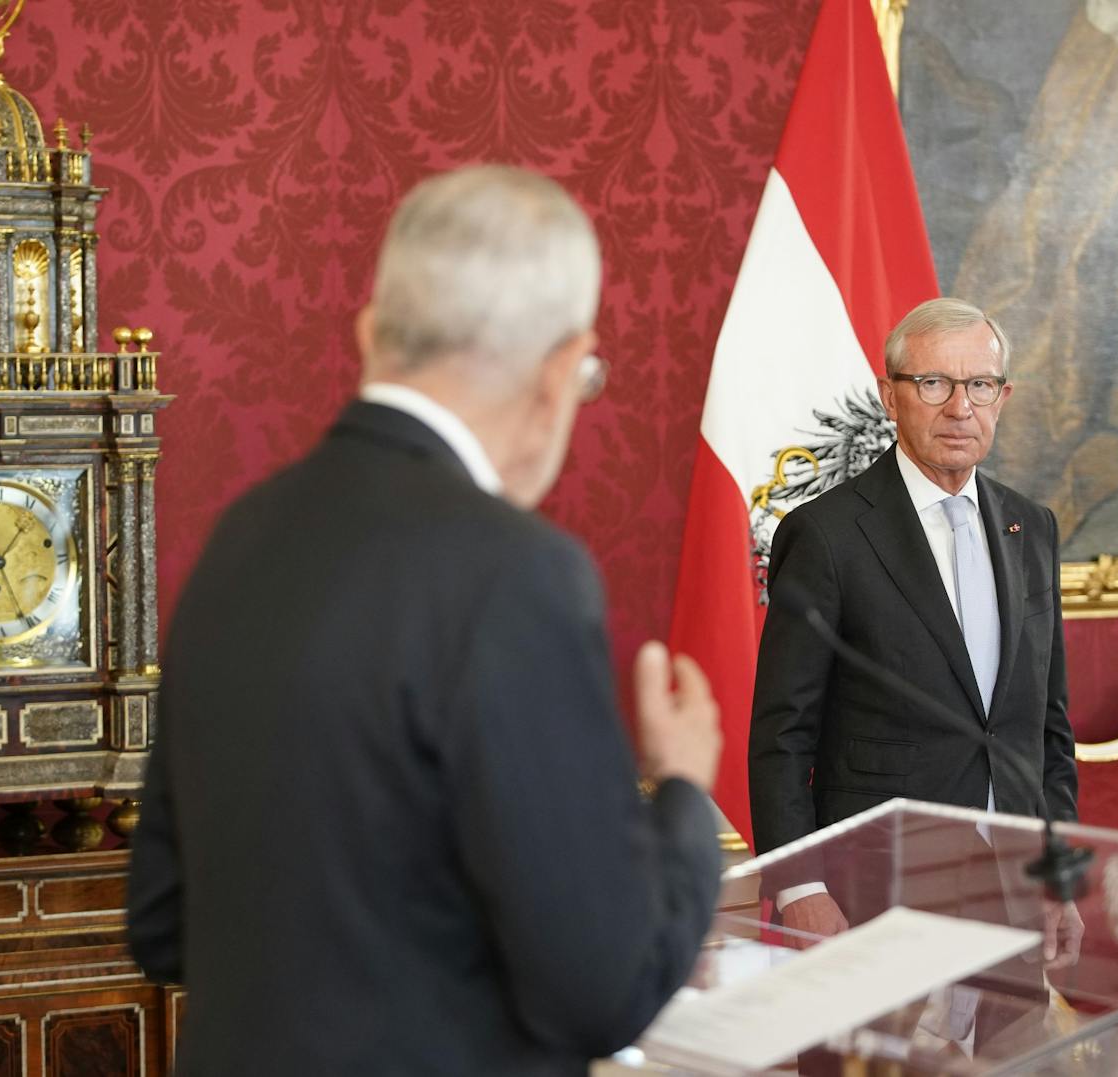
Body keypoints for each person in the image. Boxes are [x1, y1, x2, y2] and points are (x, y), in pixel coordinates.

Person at [127, 164, 723, 1076]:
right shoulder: (516, 573)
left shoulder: (246, 532)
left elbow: (165, 923)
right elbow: (604, 985)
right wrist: (682, 789)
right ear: (563, 370)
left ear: (373, 334)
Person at [747, 297, 1079, 962]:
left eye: (980, 385)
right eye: (933, 383)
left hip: (1012, 891)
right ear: (890, 397)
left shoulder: (1030, 527)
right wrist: (799, 887)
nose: (960, 407)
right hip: (872, 891)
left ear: (1002, 396)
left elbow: (1047, 724)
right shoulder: (826, 535)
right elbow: (783, 733)